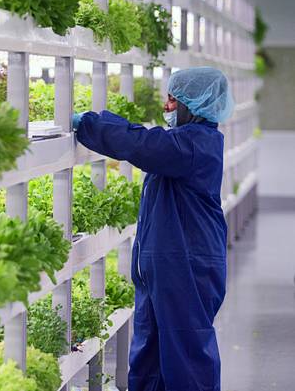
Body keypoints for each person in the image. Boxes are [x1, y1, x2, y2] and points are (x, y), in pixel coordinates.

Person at [73, 66, 235, 391]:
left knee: (186, 360)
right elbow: (148, 142)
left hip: (187, 269)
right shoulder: (182, 142)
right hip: (166, 271)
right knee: (150, 355)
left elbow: (142, 144)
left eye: (174, 101)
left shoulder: (195, 146)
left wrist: (91, 123)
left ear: (197, 104)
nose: (166, 107)